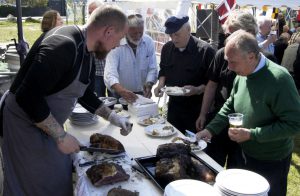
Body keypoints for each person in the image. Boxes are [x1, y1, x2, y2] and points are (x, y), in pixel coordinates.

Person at [1, 5, 132, 195]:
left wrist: (114, 117)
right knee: (34, 185)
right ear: (108, 31)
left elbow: (85, 94)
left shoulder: (87, 50)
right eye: (119, 39)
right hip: (23, 125)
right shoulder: (63, 45)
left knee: (61, 173)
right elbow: (27, 96)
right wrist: (61, 136)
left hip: (44, 123)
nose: (118, 45)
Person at [196, 30, 300, 196]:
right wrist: (210, 130)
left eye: (233, 62)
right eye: (227, 62)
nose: (228, 68)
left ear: (251, 57)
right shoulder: (241, 74)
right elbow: (230, 104)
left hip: (271, 161)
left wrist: (253, 134)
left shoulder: (280, 79)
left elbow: (294, 124)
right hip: (242, 154)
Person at [196, 11, 258, 168]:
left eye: (232, 34)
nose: (227, 40)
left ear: (249, 34)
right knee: (210, 165)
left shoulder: (265, 61)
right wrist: (203, 113)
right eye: (226, 34)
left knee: (236, 170)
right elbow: (212, 85)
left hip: (245, 127)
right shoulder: (221, 55)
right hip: (220, 118)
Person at [154, 16, 215, 133]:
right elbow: (163, 70)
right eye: (171, 35)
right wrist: (160, 85)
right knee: (173, 140)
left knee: (193, 145)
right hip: (174, 107)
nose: (174, 39)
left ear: (188, 30)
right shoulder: (167, 48)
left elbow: (213, 84)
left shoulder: (205, 51)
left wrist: (197, 90)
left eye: (177, 34)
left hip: (197, 109)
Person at [104, 14, 158, 103]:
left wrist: (149, 84)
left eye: (140, 32)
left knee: (143, 116)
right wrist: (121, 91)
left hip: (142, 92)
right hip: (120, 93)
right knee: (121, 115)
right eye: (134, 34)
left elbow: (153, 68)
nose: (138, 36)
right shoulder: (116, 43)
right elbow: (110, 73)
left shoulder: (148, 42)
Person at [87, 0, 108, 97]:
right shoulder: (87, 28)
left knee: (116, 101)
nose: (91, 14)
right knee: (98, 100)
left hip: (112, 72)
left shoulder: (111, 26)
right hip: (96, 73)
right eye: (89, 12)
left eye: (93, 11)